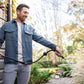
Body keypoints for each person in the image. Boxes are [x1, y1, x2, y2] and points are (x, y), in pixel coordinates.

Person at [0, 4, 62, 84]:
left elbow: (40, 39)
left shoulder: (29, 28)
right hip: (10, 63)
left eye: (27, 13)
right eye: (25, 12)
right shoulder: (6, 26)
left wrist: (54, 47)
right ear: (18, 12)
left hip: (26, 64)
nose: (26, 15)